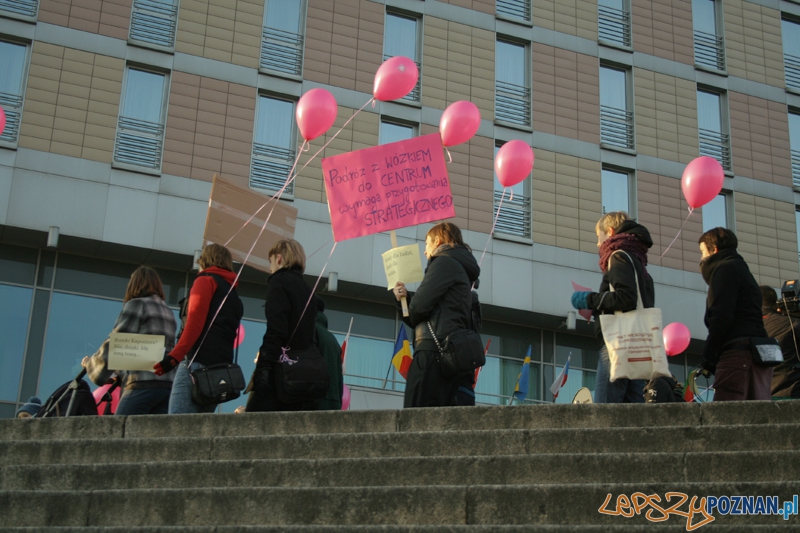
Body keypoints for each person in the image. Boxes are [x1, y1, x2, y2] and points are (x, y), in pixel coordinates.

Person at [392, 222, 480, 408]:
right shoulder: (461, 268)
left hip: (433, 355)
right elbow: (418, 312)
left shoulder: (444, 261)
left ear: (438, 241)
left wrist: (409, 303)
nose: (425, 251)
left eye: (426, 244)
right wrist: (404, 301)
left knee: (416, 417)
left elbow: (417, 310)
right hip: (449, 355)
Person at [571, 212, 653, 403]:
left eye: (598, 237)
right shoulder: (639, 262)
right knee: (633, 407)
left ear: (610, 231)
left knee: (606, 409)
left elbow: (626, 298)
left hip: (618, 342)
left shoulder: (618, 256)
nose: (598, 244)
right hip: (639, 343)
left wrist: (590, 300)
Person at [155, 243, 243, 414]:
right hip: (220, 370)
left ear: (205, 260)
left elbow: (194, 324)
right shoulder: (233, 294)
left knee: (178, 426)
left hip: (196, 364)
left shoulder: (205, 281)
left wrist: (173, 358)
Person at [84, 266, 177, 415]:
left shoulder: (137, 305)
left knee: (121, 429)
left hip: (143, 383)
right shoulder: (168, 312)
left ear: (134, 284)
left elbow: (117, 343)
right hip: (167, 385)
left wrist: (92, 365)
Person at [697, 228, 772, 401]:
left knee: (727, 415)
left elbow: (721, 315)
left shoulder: (725, 269)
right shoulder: (742, 270)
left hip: (737, 354)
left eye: (702, 252)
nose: (701, 259)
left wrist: (710, 353)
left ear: (714, 248)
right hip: (754, 354)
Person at [246, 239, 318, 412]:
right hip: (302, 372)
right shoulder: (309, 290)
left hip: (279, 368)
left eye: (270, 262)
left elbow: (276, 330)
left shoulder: (278, 282)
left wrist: (263, 366)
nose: (270, 269)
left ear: (278, 259)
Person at [760, 285, 800, 398]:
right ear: (775, 303)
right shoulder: (792, 324)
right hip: (789, 392)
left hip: (758, 395)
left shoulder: (746, 325)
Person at [315, 297, 344, 410]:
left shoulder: (309, 331)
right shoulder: (333, 340)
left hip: (315, 402)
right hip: (333, 403)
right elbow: (339, 379)